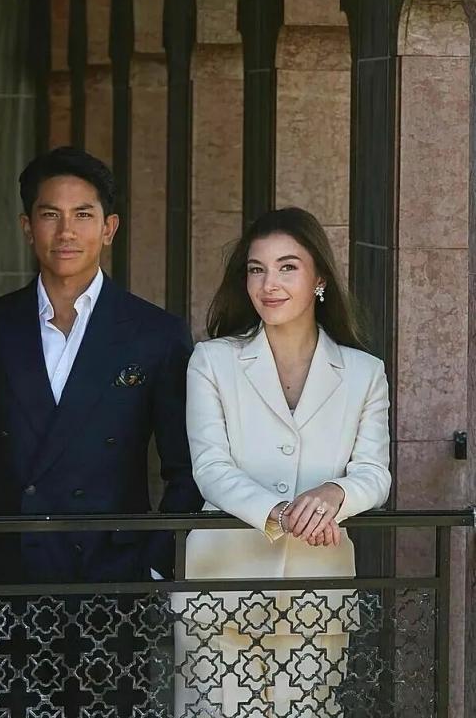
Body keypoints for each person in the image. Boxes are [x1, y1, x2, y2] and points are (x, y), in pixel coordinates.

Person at [0, 146, 202, 716]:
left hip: (114, 580)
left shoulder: (155, 333)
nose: (66, 231)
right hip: (7, 580)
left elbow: (187, 469)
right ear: (28, 227)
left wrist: (153, 566)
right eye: (50, 214)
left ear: (109, 228)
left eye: (83, 214)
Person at [174, 207, 391, 717]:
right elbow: (210, 468)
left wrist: (336, 494)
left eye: (287, 267)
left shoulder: (364, 372)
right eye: (257, 269)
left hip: (319, 593)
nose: (269, 283)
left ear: (320, 279)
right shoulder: (213, 361)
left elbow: (374, 472)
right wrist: (279, 512)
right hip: (220, 589)